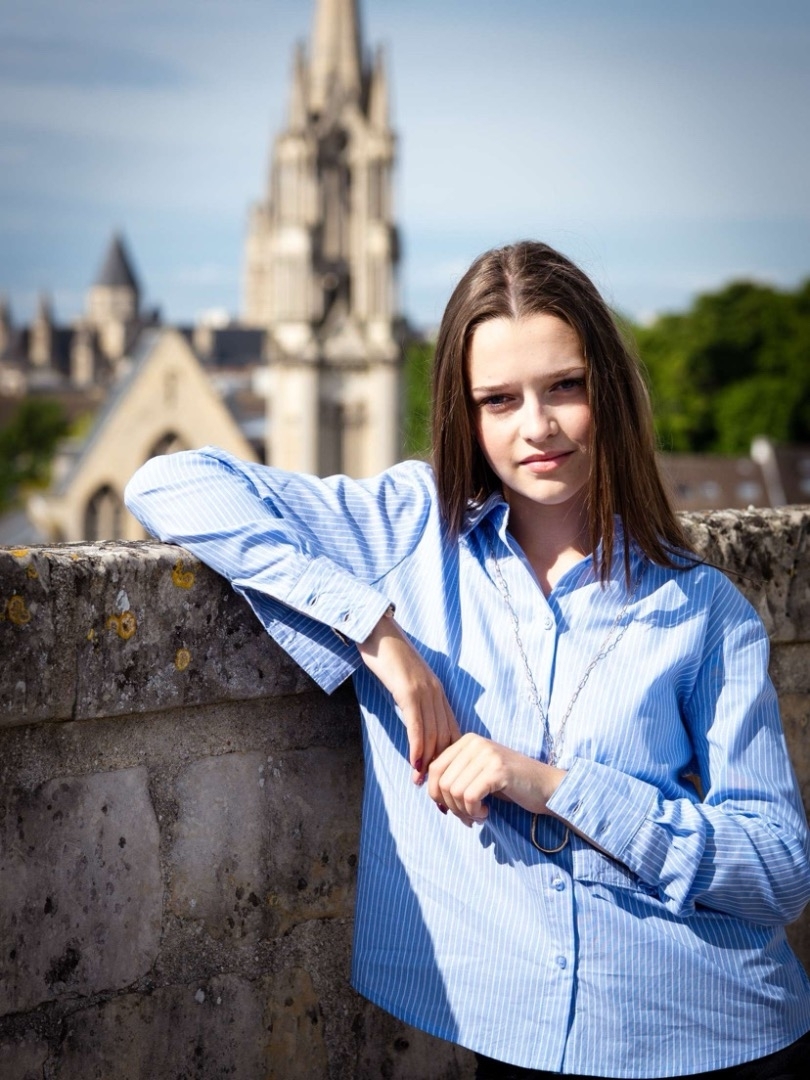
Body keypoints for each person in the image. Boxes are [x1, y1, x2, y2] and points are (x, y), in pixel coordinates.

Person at [125, 241, 810, 1078]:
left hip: (719, 1032)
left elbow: (779, 869)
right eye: (500, 399)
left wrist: (552, 787)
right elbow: (169, 483)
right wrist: (378, 634)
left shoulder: (703, 609)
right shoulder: (409, 529)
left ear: (609, 392)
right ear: (466, 413)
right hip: (518, 1042)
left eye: (566, 386)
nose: (538, 426)